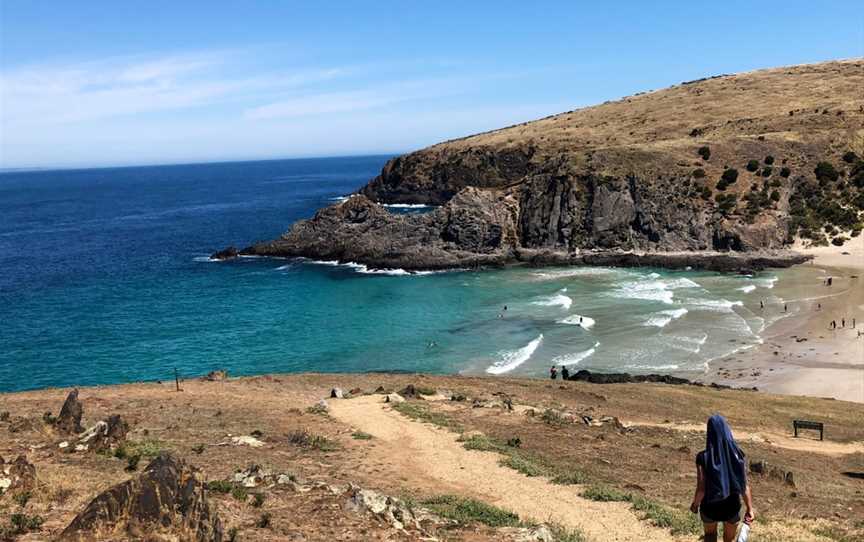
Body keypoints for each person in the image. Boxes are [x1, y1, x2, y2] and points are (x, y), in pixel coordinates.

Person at [690, 415, 754, 542]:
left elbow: (701, 489)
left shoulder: (703, 457)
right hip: (732, 507)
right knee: (728, 540)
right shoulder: (738, 454)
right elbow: (743, 485)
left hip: (709, 507)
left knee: (710, 536)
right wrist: (750, 508)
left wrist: (695, 505)